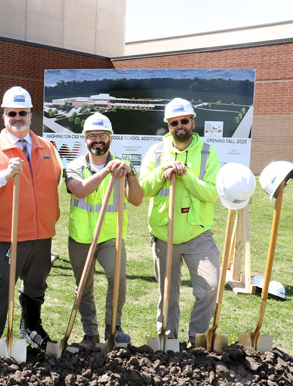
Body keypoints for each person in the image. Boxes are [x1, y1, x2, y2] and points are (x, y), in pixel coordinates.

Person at [0, 86, 62, 353]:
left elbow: (54, 181)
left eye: (23, 112)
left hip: (41, 233)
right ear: (4, 116)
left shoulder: (47, 146)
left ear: (31, 115)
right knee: (0, 287)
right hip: (5, 235)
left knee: (36, 284)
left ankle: (31, 327)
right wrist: (6, 176)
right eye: (12, 113)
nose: (17, 117)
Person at [139, 97, 221, 346]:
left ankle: (197, 340)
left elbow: (213, 193)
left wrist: (186, 177)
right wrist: (161, 172)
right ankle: (168, 341)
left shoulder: (208, 152)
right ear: (168, 125)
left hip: (198, 235)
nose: (179, 126)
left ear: (193, 122)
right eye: (174, 122)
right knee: (168, 294)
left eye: (184, 121)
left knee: (209, 287)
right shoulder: (155, 152)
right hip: (165, 234)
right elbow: (143, 189)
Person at [64, 112, 143, 347]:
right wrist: (106, 171)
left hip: (111, 236)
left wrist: (129, 174)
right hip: (80, 237)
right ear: (85, 139)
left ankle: (114, 328)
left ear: (110, 138)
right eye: (92, 136)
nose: (97, 140)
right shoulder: (73, 166)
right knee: (84, 286)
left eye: (102, 135)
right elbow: (79, 190)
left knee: (117, 278)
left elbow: (137, 200)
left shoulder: (123, 167)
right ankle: (90, 334)